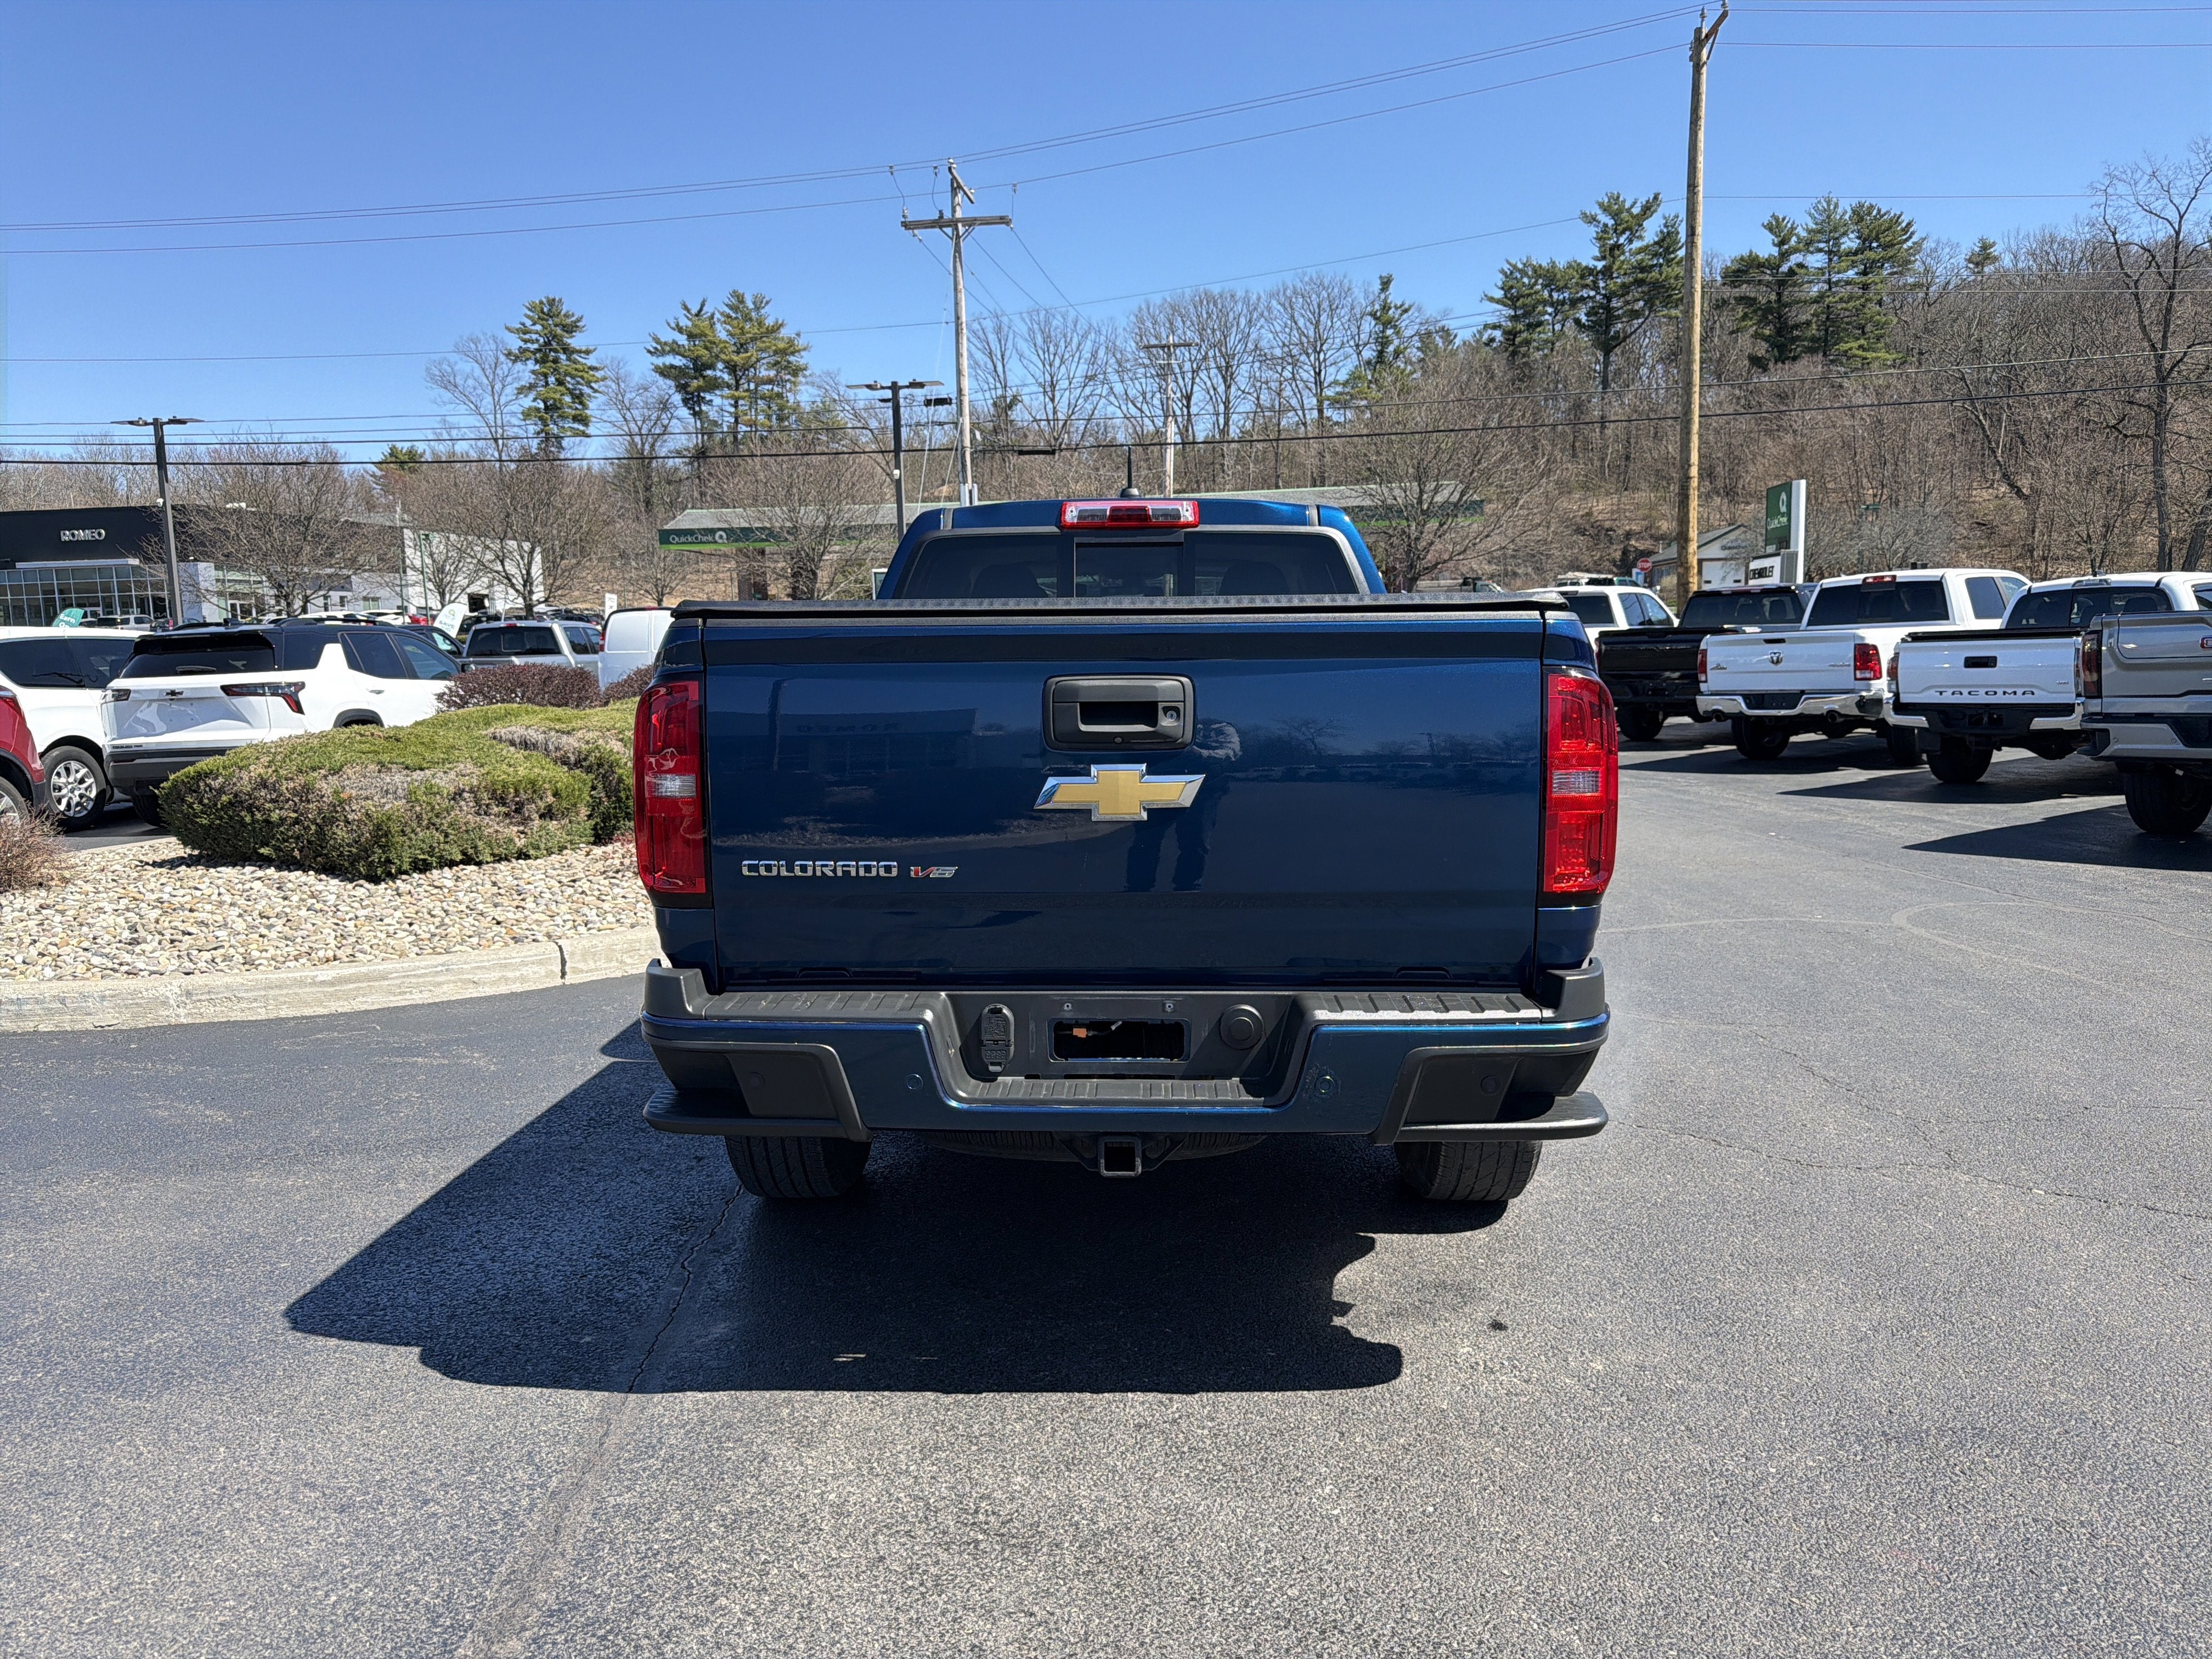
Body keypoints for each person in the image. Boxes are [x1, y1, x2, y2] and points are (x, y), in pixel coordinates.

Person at [1124, 719, 1239, 893]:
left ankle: (1188, 887)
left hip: (1203, 791)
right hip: (1158, 787)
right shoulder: (1157, 722)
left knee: (1195, 841)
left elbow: (1230, 753)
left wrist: (1196, 753)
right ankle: (1138, 886)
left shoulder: (1222, 729)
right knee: (1146, 839)